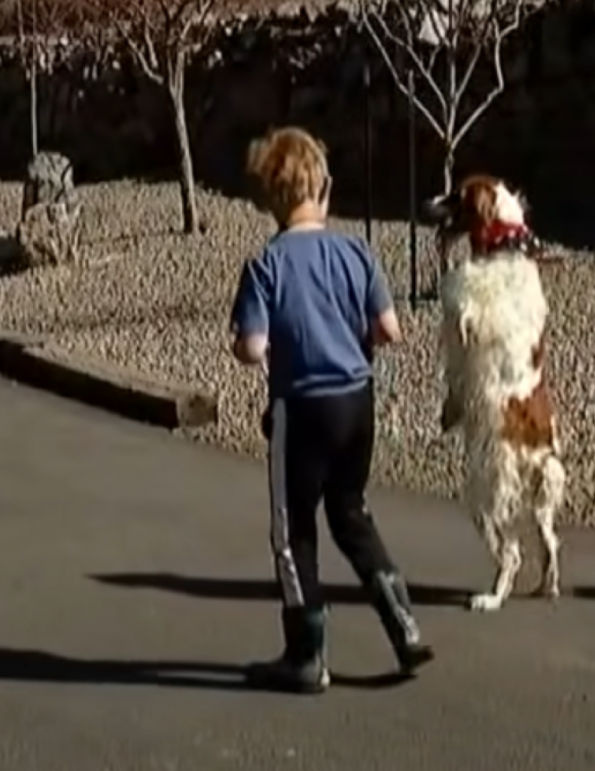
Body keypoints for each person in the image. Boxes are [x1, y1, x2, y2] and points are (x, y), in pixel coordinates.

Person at [228, 126, 435, 694]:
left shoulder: (265, 266)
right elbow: (389, 330)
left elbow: (250, 349)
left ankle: (306, 653)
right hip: (357, 403)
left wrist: (260, 342)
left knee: (294, 532)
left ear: (268, 198)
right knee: (351, 512)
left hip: (301, 408)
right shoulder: (357, 252)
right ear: (325, 188)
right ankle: (404, 623)